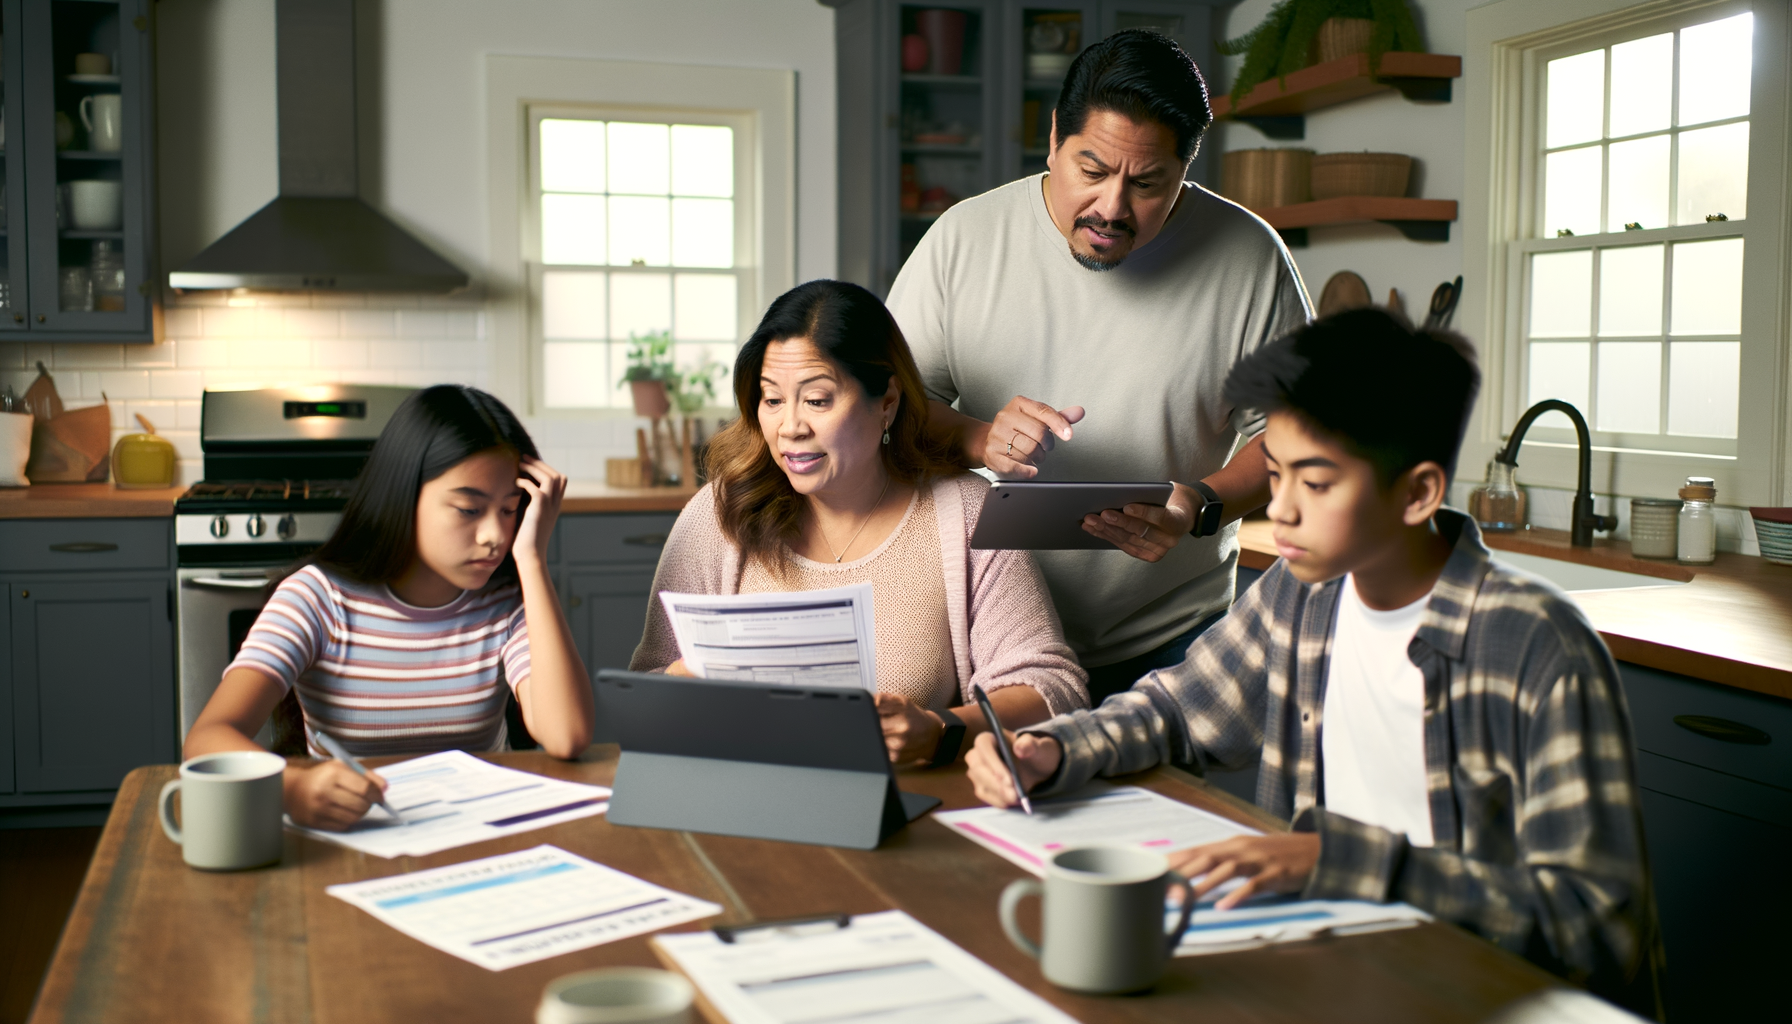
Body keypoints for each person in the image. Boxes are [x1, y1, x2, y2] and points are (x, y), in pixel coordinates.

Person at [964, 309, 1661, 1014]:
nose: (1283, 510)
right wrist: (1050, 748)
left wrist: (1336, 859)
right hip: (1325, 975)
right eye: (1275, 476)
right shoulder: (1303, 593)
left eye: (1317, 483)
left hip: (1473, 996)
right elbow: (1177, 709)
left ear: (1418, 493)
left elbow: (1596, 924)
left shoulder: (1537, 646)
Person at [887, 29, 1310, 705]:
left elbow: (1302, 438)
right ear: (1054, 137)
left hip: (1173, 642)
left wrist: (1199, 505)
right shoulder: (962, 239)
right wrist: (978, 438)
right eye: (1091, 171)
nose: (1111, 207)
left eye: (1147, 184)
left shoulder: (1250, 257)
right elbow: (887, 411)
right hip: (989, 637)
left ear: (1187, 168)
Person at [632, 280, 1089, 764]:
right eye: (772, 399)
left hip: (910, 808)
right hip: (738, 803)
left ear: (886, 402)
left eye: (818, 400)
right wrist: (680, 685)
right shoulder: (719, 513)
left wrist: (940, 731)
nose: (791, 428)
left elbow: (1053, 688)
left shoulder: (966, 513)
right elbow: (641, 697)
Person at [185, 386, 595, 831]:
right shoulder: (318, 599)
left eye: (509, 510)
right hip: (358, 838)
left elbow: (567, 735)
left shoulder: (504, 604)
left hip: (480, 837)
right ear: (404, 495)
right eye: (469, 509)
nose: (495, 535)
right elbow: (208, 736)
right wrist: (292, 789)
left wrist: (532, 559)